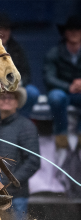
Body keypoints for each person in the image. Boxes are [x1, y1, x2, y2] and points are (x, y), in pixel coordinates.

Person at [0, 87, 40, 220]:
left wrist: (9, 182)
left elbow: (33, 161)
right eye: (2, 97)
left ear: (17, 102)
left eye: (10, 97)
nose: (6, 100)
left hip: (16, 195)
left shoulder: (26, 126)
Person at [44, 15, 81, 148]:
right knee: (56, 97)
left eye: (78, 30)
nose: (74, 33)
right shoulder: (54, 52)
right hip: (63, 92)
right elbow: (49, 78)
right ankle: (61, 135)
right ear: (65, 32)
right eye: (70, 30)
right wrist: (69, 86)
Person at [0, 14, 40, 118]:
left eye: (6, 29)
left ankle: (19, 122)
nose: (3, 33)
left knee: (32, 92)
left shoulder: (17, 48)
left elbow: (26, 73)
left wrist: (18, 82)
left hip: (14, 86)